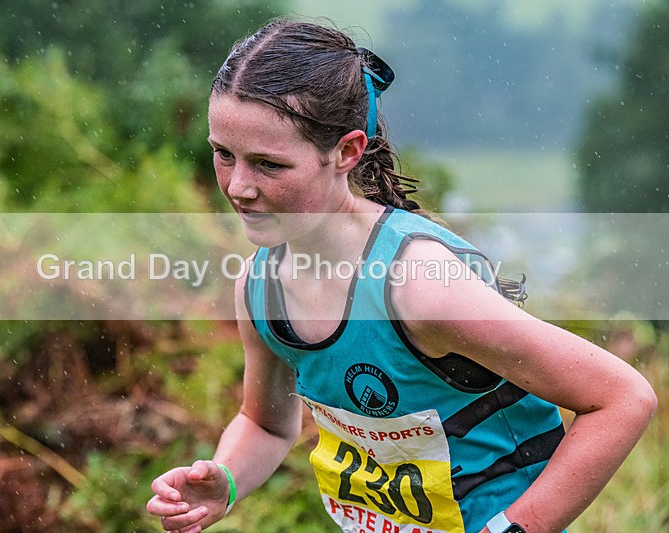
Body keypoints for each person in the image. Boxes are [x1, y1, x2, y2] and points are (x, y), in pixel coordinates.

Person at [146, 18, 657, 533]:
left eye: (268, 165)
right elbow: (265, 423)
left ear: (346, 152)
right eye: (223, 154)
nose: (238, 186)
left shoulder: (422, 288)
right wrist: (226, 482)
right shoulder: (260, 287)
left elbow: (621, 399)